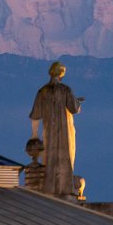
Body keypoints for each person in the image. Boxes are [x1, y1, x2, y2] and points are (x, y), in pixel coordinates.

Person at [30, 61, 84, 197]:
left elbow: (35, 116)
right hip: (66, 133)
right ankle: (65, 187)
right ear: (61, 74)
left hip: (49, 131)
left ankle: (50, 186)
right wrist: (78, 102)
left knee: (50, 158)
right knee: (66, 158)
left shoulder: (42, 92)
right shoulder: (65, 90)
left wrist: (34, 135)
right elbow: (74, 108)